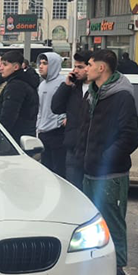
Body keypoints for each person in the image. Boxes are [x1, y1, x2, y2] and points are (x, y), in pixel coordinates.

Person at [77, 49, 138, 275]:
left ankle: (117, 271)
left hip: (110, 173)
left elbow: (130, 136)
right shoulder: (92, 94)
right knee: (91, 224)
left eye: (90, 65)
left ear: (101, 68)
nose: (86, 69)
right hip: (88, 169)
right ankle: (93, 269)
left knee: (112, 222)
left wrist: (106, 159)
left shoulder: (121, 96)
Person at [52, 51, 91, 190]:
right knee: (74, 189)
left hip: (90, 149)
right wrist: (66, 85)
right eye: (75, 67)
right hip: (73, 147)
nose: (75, 71)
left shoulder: (97, 90)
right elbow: (56, 107)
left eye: (80, 67)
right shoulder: (74, 88)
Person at [0, 50, 40, 143]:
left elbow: (8, 115)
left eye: (5, 64)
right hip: (25, 138)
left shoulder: (16, 86)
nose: (0, 67)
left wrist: (0, 136)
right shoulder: (23, 82)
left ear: (16, 67)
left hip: (14, 140)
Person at [35, 52, 67, 176]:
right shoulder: (42, 84)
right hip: (43, 132)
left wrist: (64, 119)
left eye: (45, 63)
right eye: (40, 63)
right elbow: (40, 108)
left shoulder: (63, 82)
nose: (41, 66)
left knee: (59, 171)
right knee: (46, 171)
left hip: (57, 132)